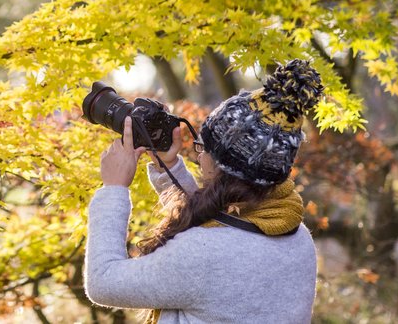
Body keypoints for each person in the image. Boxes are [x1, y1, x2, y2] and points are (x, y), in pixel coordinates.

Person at [86, 60, 322, 323]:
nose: (199, 158)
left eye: (203, 147)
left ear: (223, 165)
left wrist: (114, 189)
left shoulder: (201, 254)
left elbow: (104, 281)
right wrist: (169, 167)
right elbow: (224, 230)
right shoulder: (297, 238)